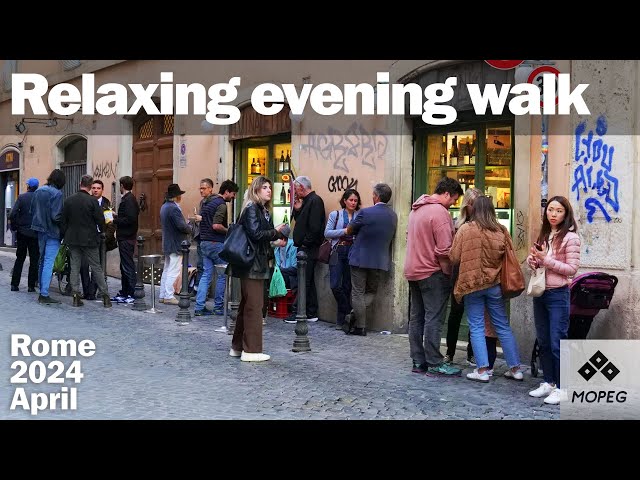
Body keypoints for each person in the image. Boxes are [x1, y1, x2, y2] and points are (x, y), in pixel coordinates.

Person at [449, 195, 524, 384]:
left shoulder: (465, 229)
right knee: (502, 326)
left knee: (476, 326)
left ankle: (482, 370)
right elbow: (510, 255)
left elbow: (454, 257)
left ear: (474, 210)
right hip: (494, 284)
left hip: (472, 284)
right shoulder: (501, 230)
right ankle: (515, 369)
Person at [405, 177, 463, 376]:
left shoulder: (416, 209)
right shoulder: (440, 212)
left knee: (416, 318)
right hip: (432, 272)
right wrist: (448, 273)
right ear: (447, 193)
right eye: (454, 199)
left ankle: (418, 361)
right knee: (434, 318)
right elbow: (444, 250)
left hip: (413, 270)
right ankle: (435, 362)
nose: (453, 204)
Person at [526, 195, 580, 405]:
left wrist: (545, 260)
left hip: (558, 294)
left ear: (566, 213)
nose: (553, 214)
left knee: (558, 342)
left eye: (558, 211)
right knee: (544, 341)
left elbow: (571, 269)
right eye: (550, 210)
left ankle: (563, 387)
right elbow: (540, 263)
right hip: (541, 293)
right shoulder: (545, 234)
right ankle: (548, 382)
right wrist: (534, 261)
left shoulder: (571, 238)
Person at [228, 176, 287, 362]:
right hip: (252, 263)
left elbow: (261, 236)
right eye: (264, 187)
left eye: (270, 187)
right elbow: (255, 234)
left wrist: (275, 239)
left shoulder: (261, 210)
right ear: (256, 190)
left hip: (255, 262)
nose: (269, 190)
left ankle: (237, 347)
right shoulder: (252, 208)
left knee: (247, 305)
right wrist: (275, 231)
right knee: (254, 306)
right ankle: (252, 350)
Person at [345, 183, 397, 336]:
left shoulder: (365, 213)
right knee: (371, 291)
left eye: (373, 195)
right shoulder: (393, 215)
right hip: (379, 260)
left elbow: (349, 229)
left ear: (376, 196)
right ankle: (356, 314)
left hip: (360, 258)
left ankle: (360, 325)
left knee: (357, 293)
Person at [443, 187, 482, 365]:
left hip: (476, 275)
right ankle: (450, 352)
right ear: (466, 205)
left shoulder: (485, 225)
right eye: (472, 204)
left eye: (477, 204)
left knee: (475, 316)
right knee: (455, 314)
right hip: (458, 274)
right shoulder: (457, 224)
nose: (474, 208)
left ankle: (472, 353)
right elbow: (453, 253)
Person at [61, 175, 112, 308]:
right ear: (90, 187)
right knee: (96, 267)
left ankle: (76, 295)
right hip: (89, 238)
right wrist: (100, 231)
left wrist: (64, 235)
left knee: (75, 266)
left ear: (80, 183)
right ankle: (105, 296)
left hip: (72, 238)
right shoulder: (92, 201)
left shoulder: (68, 200)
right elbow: (100, 220)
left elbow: (63, 221)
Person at [194, 179, 239, 316]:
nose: (234, 197)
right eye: (233, 194)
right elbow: (216, 225)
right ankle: (218, 306)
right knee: (221, 275)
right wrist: (229, 230)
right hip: (216, 243)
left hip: (204, 242)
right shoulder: (221, 205)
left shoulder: (208, 203)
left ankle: (199, 306)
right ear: (226, 192)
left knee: (206, 275)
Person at [287, 176, 325, 323]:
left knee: (303, 281)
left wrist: (305, 244)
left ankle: (298, 312)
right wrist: (297, 210)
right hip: (305, 247)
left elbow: (314, 228)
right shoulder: (308, 201)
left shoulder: (315, 201)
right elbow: (302, 222)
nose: (295, 192)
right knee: (307, 280)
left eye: (296, 188)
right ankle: (311, 311)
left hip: (308, 248)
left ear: (302, 187)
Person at [323, 188, 361, 330]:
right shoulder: (336, 214)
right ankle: (348, 310)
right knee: (335, 285)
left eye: (355, 200)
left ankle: (341, 321)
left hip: (353, 251)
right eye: (350, 200)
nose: (353, 202)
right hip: (338, 250)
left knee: (347, 286)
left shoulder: (360, 215)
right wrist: (344, 231)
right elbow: (327, 232)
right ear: (344, 201)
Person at [30, 169, 65, 305]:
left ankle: (41, 289)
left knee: (42, 260)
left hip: (39, 229)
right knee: (49, 262)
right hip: (52, 231)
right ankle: (44, 293)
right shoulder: (57, 194)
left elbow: (32, 210)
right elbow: (55, 216)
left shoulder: (39, 191)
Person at [159, 184, 191, 305]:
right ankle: (168, 295)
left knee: (167, 269)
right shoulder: (173, 208)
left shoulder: (164, 206)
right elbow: (181, 226)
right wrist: (190, 227)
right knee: (174, 270)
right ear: (177, 197)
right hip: (175, 243)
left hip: (168, 242)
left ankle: (163, 294)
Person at [80, 179, 111, 300]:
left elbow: (110, 223)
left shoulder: (106, 203)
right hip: (85, 237)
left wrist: (106, 235)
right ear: (90, 189)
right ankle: (86, 289)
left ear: (102, 190)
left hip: (99, 238)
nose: (96, 190)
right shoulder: (86, 201)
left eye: (98, 188)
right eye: (93, 188)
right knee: (83, 265)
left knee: (96, 266)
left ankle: (92, 292)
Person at [9, 177, 40, 293]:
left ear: (28, 186)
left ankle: (14, 284)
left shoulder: (22, 197)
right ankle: (31, 286)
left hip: (22, 233)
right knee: (34, 260)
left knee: (20, 258)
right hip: (35, 233)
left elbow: (12, 214)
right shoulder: (39, 199)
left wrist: (15, 226)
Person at [112, 176, 140, 303]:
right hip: (125, 236)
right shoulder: (128, 199)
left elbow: (130, 219)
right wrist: (118, 216)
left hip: (126, 237)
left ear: (122, 185)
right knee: (124, 265)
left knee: (127, 265)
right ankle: (125, 291)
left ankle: (133, 292)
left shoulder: (129, 200)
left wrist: (115, 220)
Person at [190, 178, 215, 297]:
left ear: (210, 189)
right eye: (200, 188)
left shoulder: (214, 202)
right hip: (201, 237)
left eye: (203, 188)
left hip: (209, 239)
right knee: (200, 265)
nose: (201, 190)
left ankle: (202, 292)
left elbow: (215, 222)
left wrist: (202, 219)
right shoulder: (202, 202)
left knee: (206, 266)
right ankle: (198, 290)